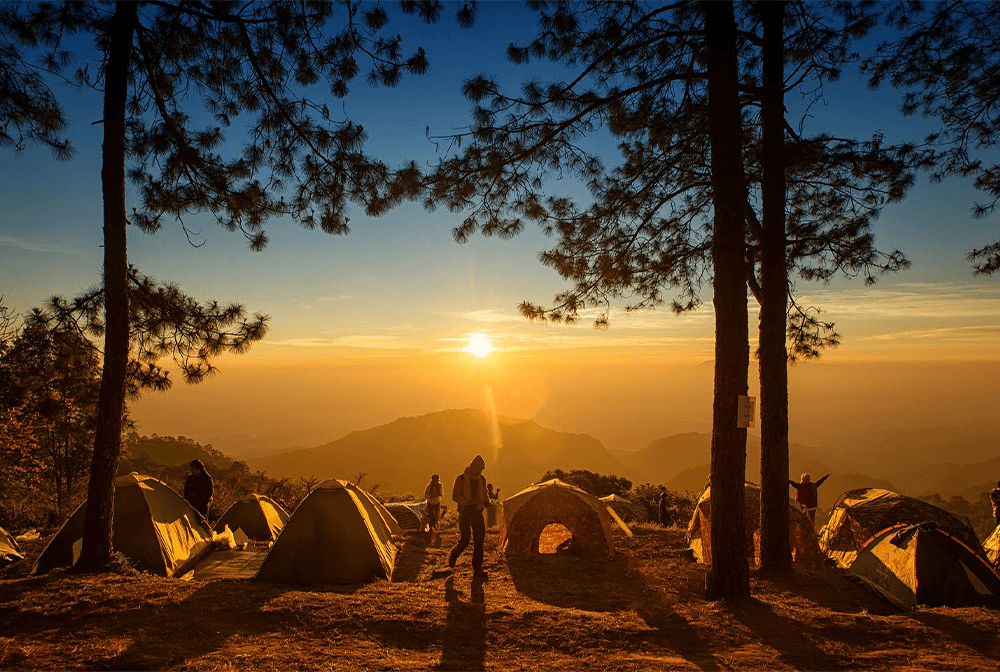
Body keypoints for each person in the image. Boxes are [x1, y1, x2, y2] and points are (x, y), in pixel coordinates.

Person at [448, 454, 489, 578]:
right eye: (477, 469)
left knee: (479, 539)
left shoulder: (482, 480)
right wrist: (468, 502)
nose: (479, 472)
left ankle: (478, 568)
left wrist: (486, 501)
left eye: (481, 470)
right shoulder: (460, 479)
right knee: (465, 540)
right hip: (465, 512)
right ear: (472, 467)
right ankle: (454, 554)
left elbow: (485, 494)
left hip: (477, 512)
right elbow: (455, 496)